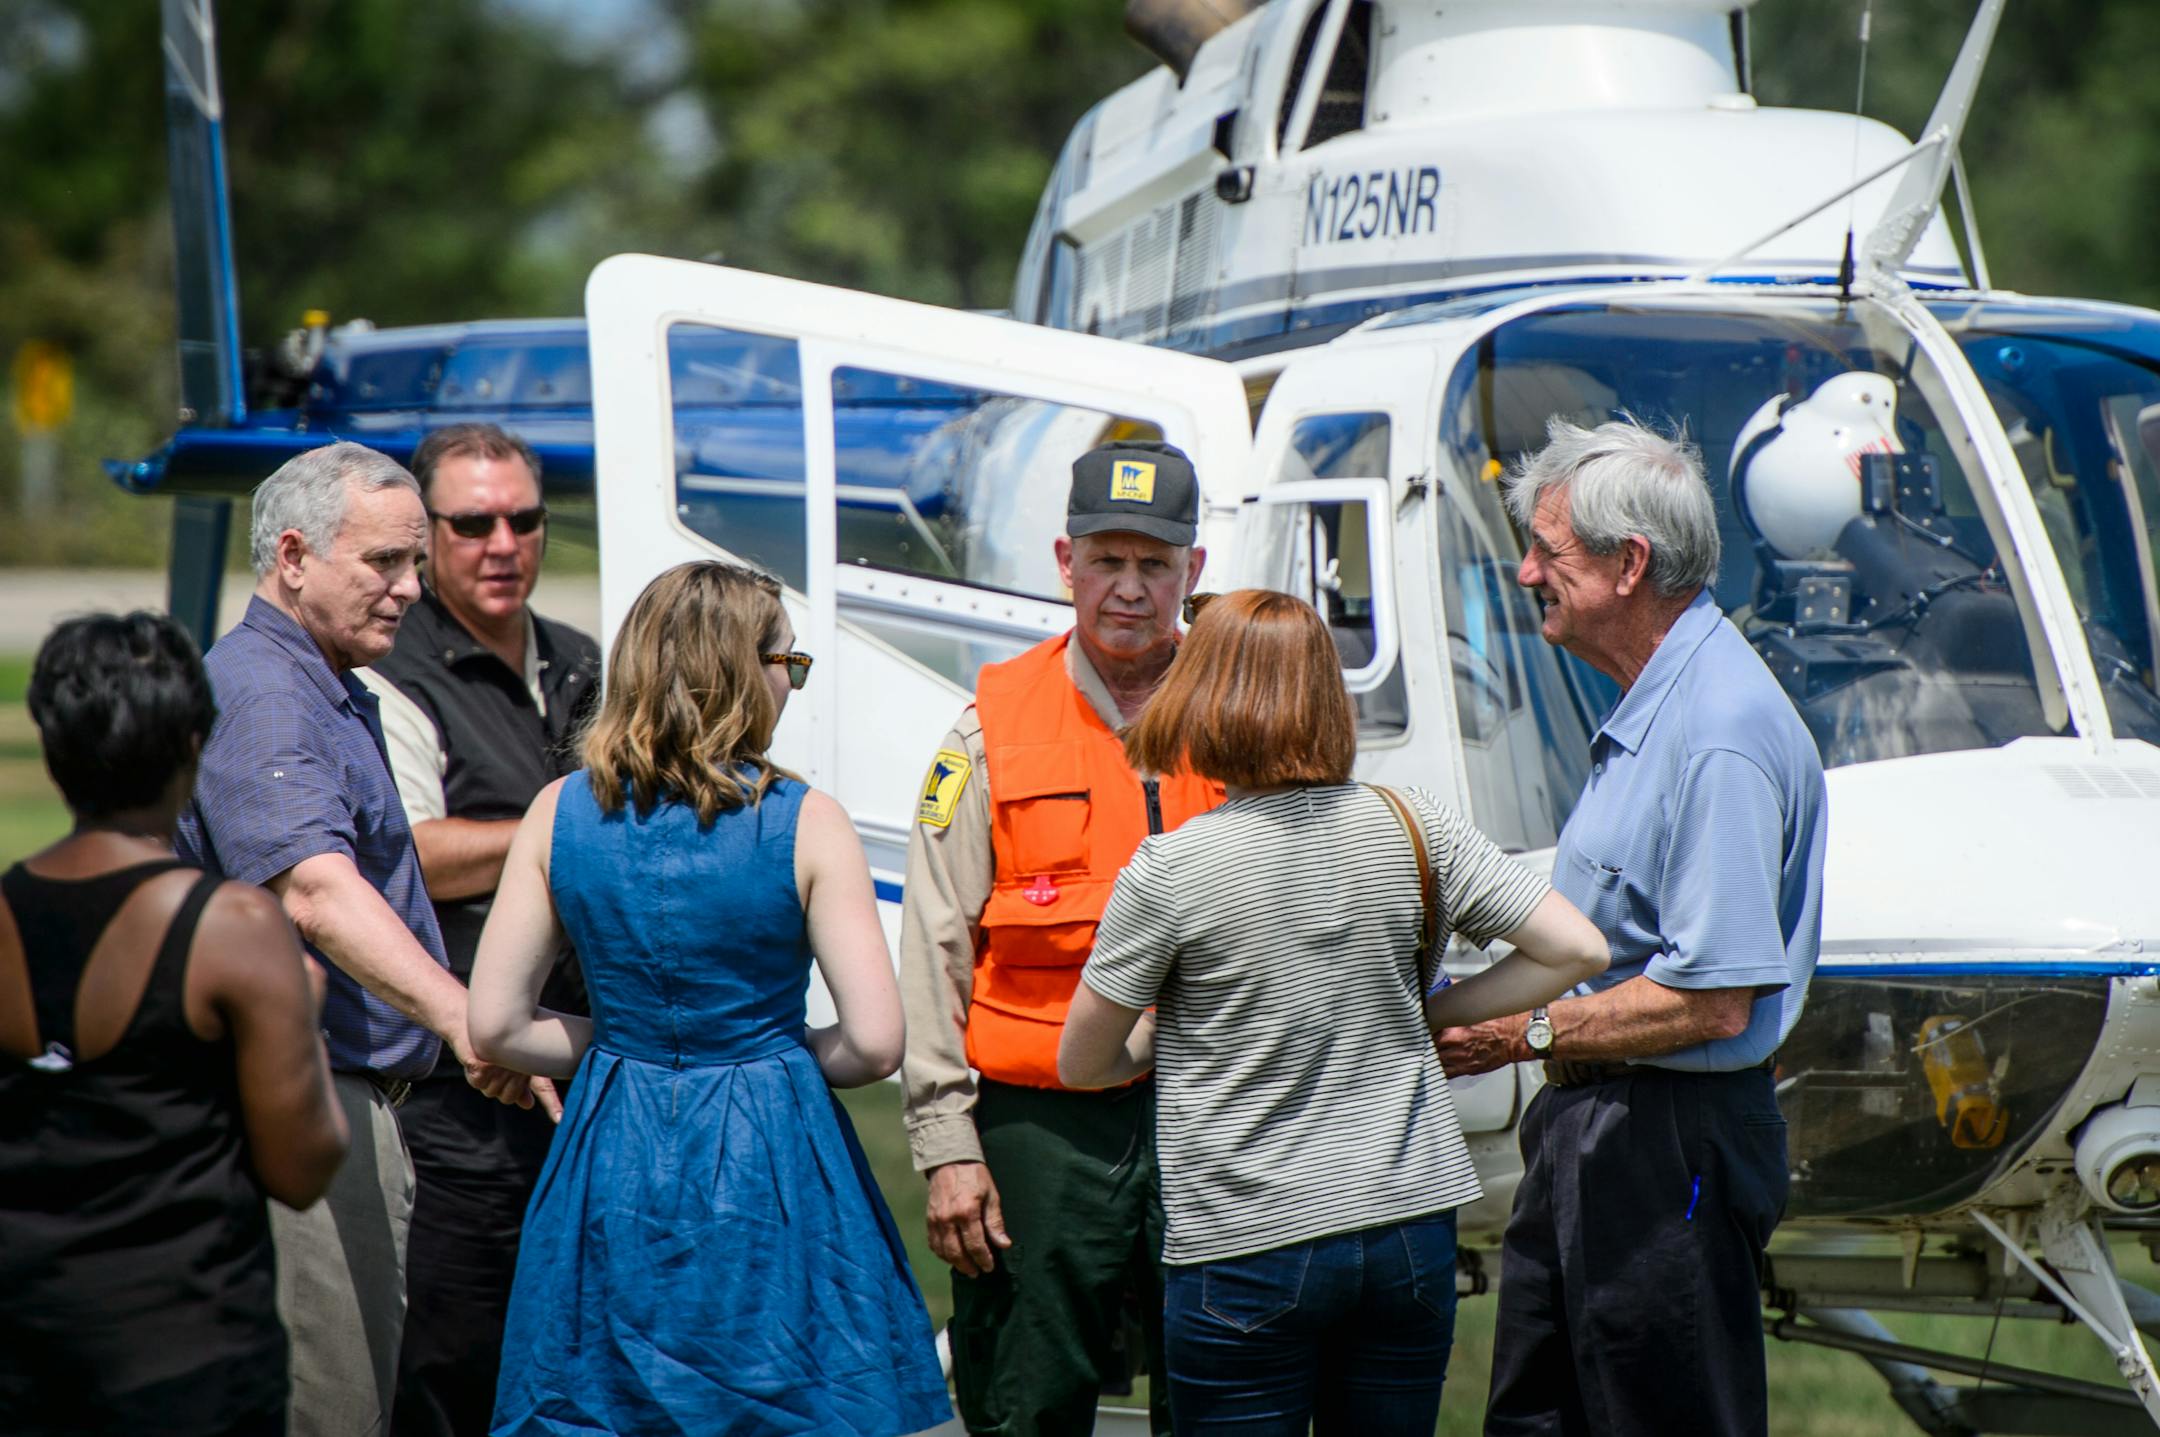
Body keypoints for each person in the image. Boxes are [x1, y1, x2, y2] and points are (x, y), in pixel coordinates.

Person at [1056, 589, 1608, 1435]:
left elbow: (1084, 1061)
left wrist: (1180, 1025)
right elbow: (1577, 950)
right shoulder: (1411, 822)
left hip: (1246, 1237)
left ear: (1207, 694)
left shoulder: (1170, 866)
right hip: (1408, 1228)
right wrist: (1433, 1010)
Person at [468, 560, 950, 1435]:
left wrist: (622, 1041)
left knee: (604, 1398)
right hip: (771, 1146)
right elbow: (877, 1042)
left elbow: (497, 1022)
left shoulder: (557, 811)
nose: (792, 685)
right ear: (741, 671)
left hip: (614, 1142)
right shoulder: (805, 819)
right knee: (783, 1394)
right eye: (789, 664)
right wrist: (765, 1049)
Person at [1432, 419, 1828, 1437]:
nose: (1525, 573)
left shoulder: (1718, 731)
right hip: (1603, 1128)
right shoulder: (1661, 702)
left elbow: (1710, 999)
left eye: (1549, 553)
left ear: (1629, 564)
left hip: (1668, 1147)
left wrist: (1519, 1036)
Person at [177, 441, 544, 1437]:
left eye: (414, 563)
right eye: (384, 562)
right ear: (293, 556)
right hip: (305, 1099)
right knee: (331, 1408)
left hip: (347, 1095)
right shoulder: (265, 692)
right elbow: (315, 894)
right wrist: (466, 1017)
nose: (412, 590)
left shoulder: (325, 681)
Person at [900, 439, 1223, 1436]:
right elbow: (933, 951)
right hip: (1043, 1130)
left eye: (1154, 564)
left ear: (1193, 572)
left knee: (1221, 1394)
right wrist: (947, 1146)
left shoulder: (1244, 710)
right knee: (1026, 1396)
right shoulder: (986, 731)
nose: (1128, 588)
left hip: (1219, 1115)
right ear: (1065, 562)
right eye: (1107, 560)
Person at [1, 612, 349, 1437]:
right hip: (188, 1351)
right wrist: (302, 1017)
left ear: (54, 747)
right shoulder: (231, 926)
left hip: (26, 1341)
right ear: (195, 743)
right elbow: (303, 1167)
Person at [358, 423, 600, 1437]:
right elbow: (409, 848)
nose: (502, 543)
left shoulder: (584, 660)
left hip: (585, 1071)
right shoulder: (389, 671)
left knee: (577, 1355)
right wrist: (565, 827)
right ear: (425, 538)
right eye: (470, 524)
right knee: (452, 1364)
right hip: (457, 1090)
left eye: (524, 519)